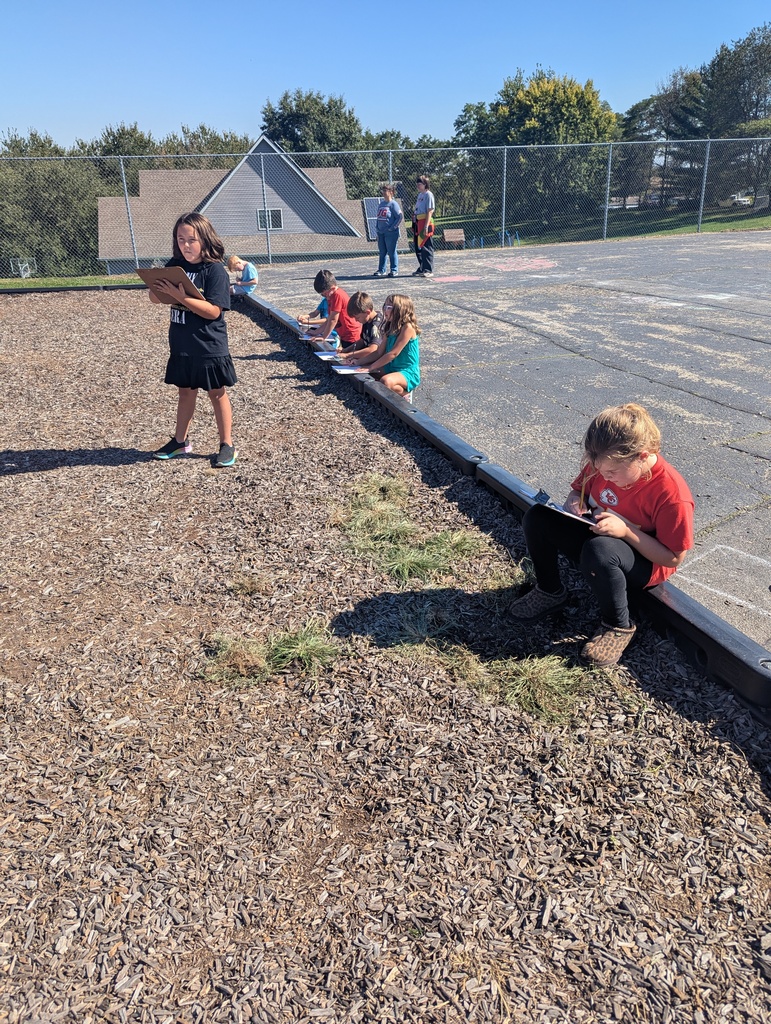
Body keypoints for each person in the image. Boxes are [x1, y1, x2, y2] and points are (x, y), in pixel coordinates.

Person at [509, 403, 694, 666]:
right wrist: (574, 502)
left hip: (644, 561)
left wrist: (626, 531)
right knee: (537, 517)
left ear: (642, 456)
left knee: (600, 550)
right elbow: (577, 491)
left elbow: (673, 558)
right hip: (600, 536)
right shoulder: (603, 461)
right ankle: (550, 591)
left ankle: (618, 625)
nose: (605, 477)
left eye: (612, 473)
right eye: (600, 470)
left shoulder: (672, 494)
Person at [149, 212, 238, 468]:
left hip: (209, 344)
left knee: (216, 393)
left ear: (205, 239)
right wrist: (158, 289)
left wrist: (181, 296)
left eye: (191, 240)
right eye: (180, 239)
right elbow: (155, 298)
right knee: (185, 392)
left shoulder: (215, 271)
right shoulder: (174, 266)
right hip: (181, 343)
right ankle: (180, 441)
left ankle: (227, 444)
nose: (186, 245)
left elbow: (214, 311)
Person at [346, 294, 420, 399]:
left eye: (389, 308)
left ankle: (404, 394)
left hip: (407, 371)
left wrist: (371, 367)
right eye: (385, 306)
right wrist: (358, 362)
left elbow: (393, 354)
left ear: (400, 310)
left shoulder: (407, 328)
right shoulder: (389, 326)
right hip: (391, 367)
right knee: (365, 371)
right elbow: (378, 352)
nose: (385, 310)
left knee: (386, 381)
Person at [311, 270, 362, 348]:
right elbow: (330, 319)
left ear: (332, 288)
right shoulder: (331, 296)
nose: (325, 296)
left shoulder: (337, 296)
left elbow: (333, 320)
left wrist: (323, 337)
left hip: (351, 334)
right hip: (344, 334)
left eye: (324, 294)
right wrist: (317, 332)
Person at [373, 183, 403, 279]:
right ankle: (381, 270)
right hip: (381, 232)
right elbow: (378, 218)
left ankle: (394, 270)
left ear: (391, 192)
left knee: (391, 251)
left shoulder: (393, 204)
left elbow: (399, 217)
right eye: (383, 190)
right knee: (382, 252)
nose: (383, 192)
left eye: (385, 190)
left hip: (391, 233)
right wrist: (377, 230)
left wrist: (392, 228)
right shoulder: (381, 204)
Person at [340, 291, 383, 357]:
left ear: (367, 312)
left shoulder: (376, 326)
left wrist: (348, 355)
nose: (356, 320)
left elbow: (372, 349)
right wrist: (345, 350)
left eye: (358, 317)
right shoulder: (367, 320)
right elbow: (362, 341)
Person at [411, 175, 435, 278]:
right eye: (417, 184)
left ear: (425, 184)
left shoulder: (428, 195)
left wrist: (426, 226)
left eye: (419, 184)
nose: (418, 186)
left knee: (426, 246)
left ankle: (428, 269)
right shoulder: (420, 195)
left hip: (425, 222)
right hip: (418, 222)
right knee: (418, 246)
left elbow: (430, 211)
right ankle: (422, 266)